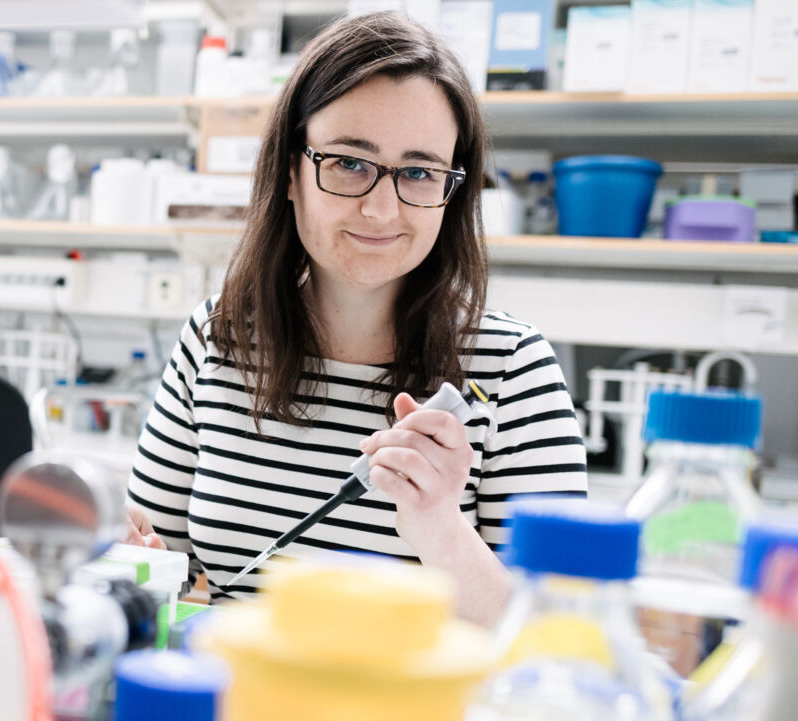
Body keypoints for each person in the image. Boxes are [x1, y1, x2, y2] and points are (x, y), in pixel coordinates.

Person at [124, 12, 587, 625]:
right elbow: (153, 564)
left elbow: (563, 638)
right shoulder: (218, 336)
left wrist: (440, 527)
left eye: (419, 172)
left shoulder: (512, 371)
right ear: (291, 172)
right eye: (348, 162)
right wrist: (137, 571)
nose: (379, 208)